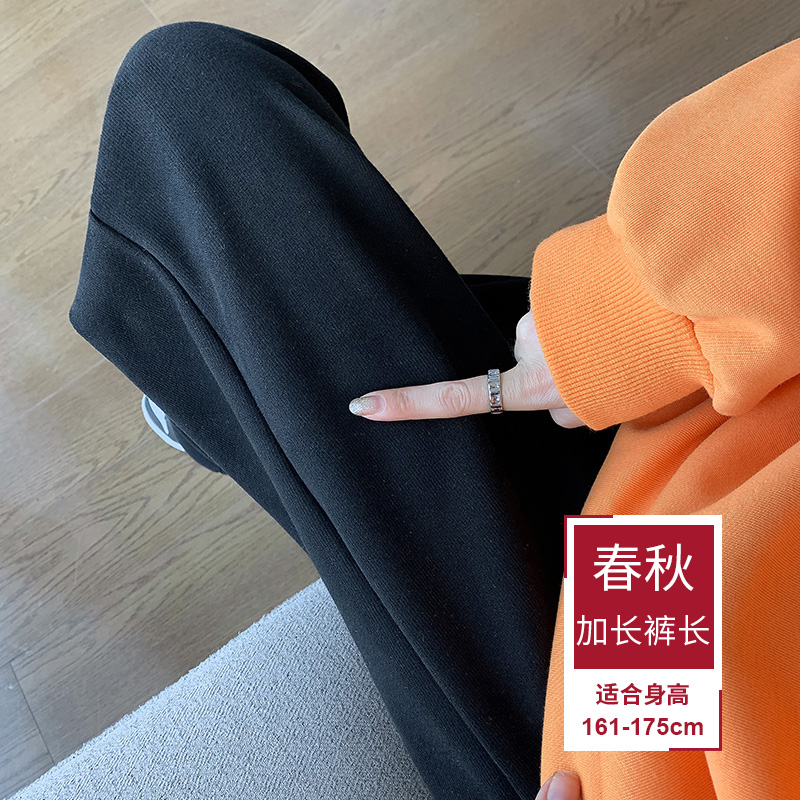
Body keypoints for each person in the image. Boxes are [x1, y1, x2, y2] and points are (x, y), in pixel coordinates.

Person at [70, 20, 800, 800]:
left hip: (660, 692)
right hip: (730, 448)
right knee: (201, 94)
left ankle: (225, 397)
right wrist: (639, 320)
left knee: (187, 101)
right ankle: (226, 396)